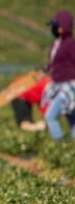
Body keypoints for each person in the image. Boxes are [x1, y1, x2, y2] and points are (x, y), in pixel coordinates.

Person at [41, 10, 75, 141]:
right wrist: (46, 69)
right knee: (72, 118)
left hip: (70, 86)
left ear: (63, 28)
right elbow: (55, 64)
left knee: (50, 116)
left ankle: (60, 146)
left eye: (56, 26)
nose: (53, 29)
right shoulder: (56, 45)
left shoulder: (70, 44)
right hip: (59, 85)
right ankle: (72, 150)